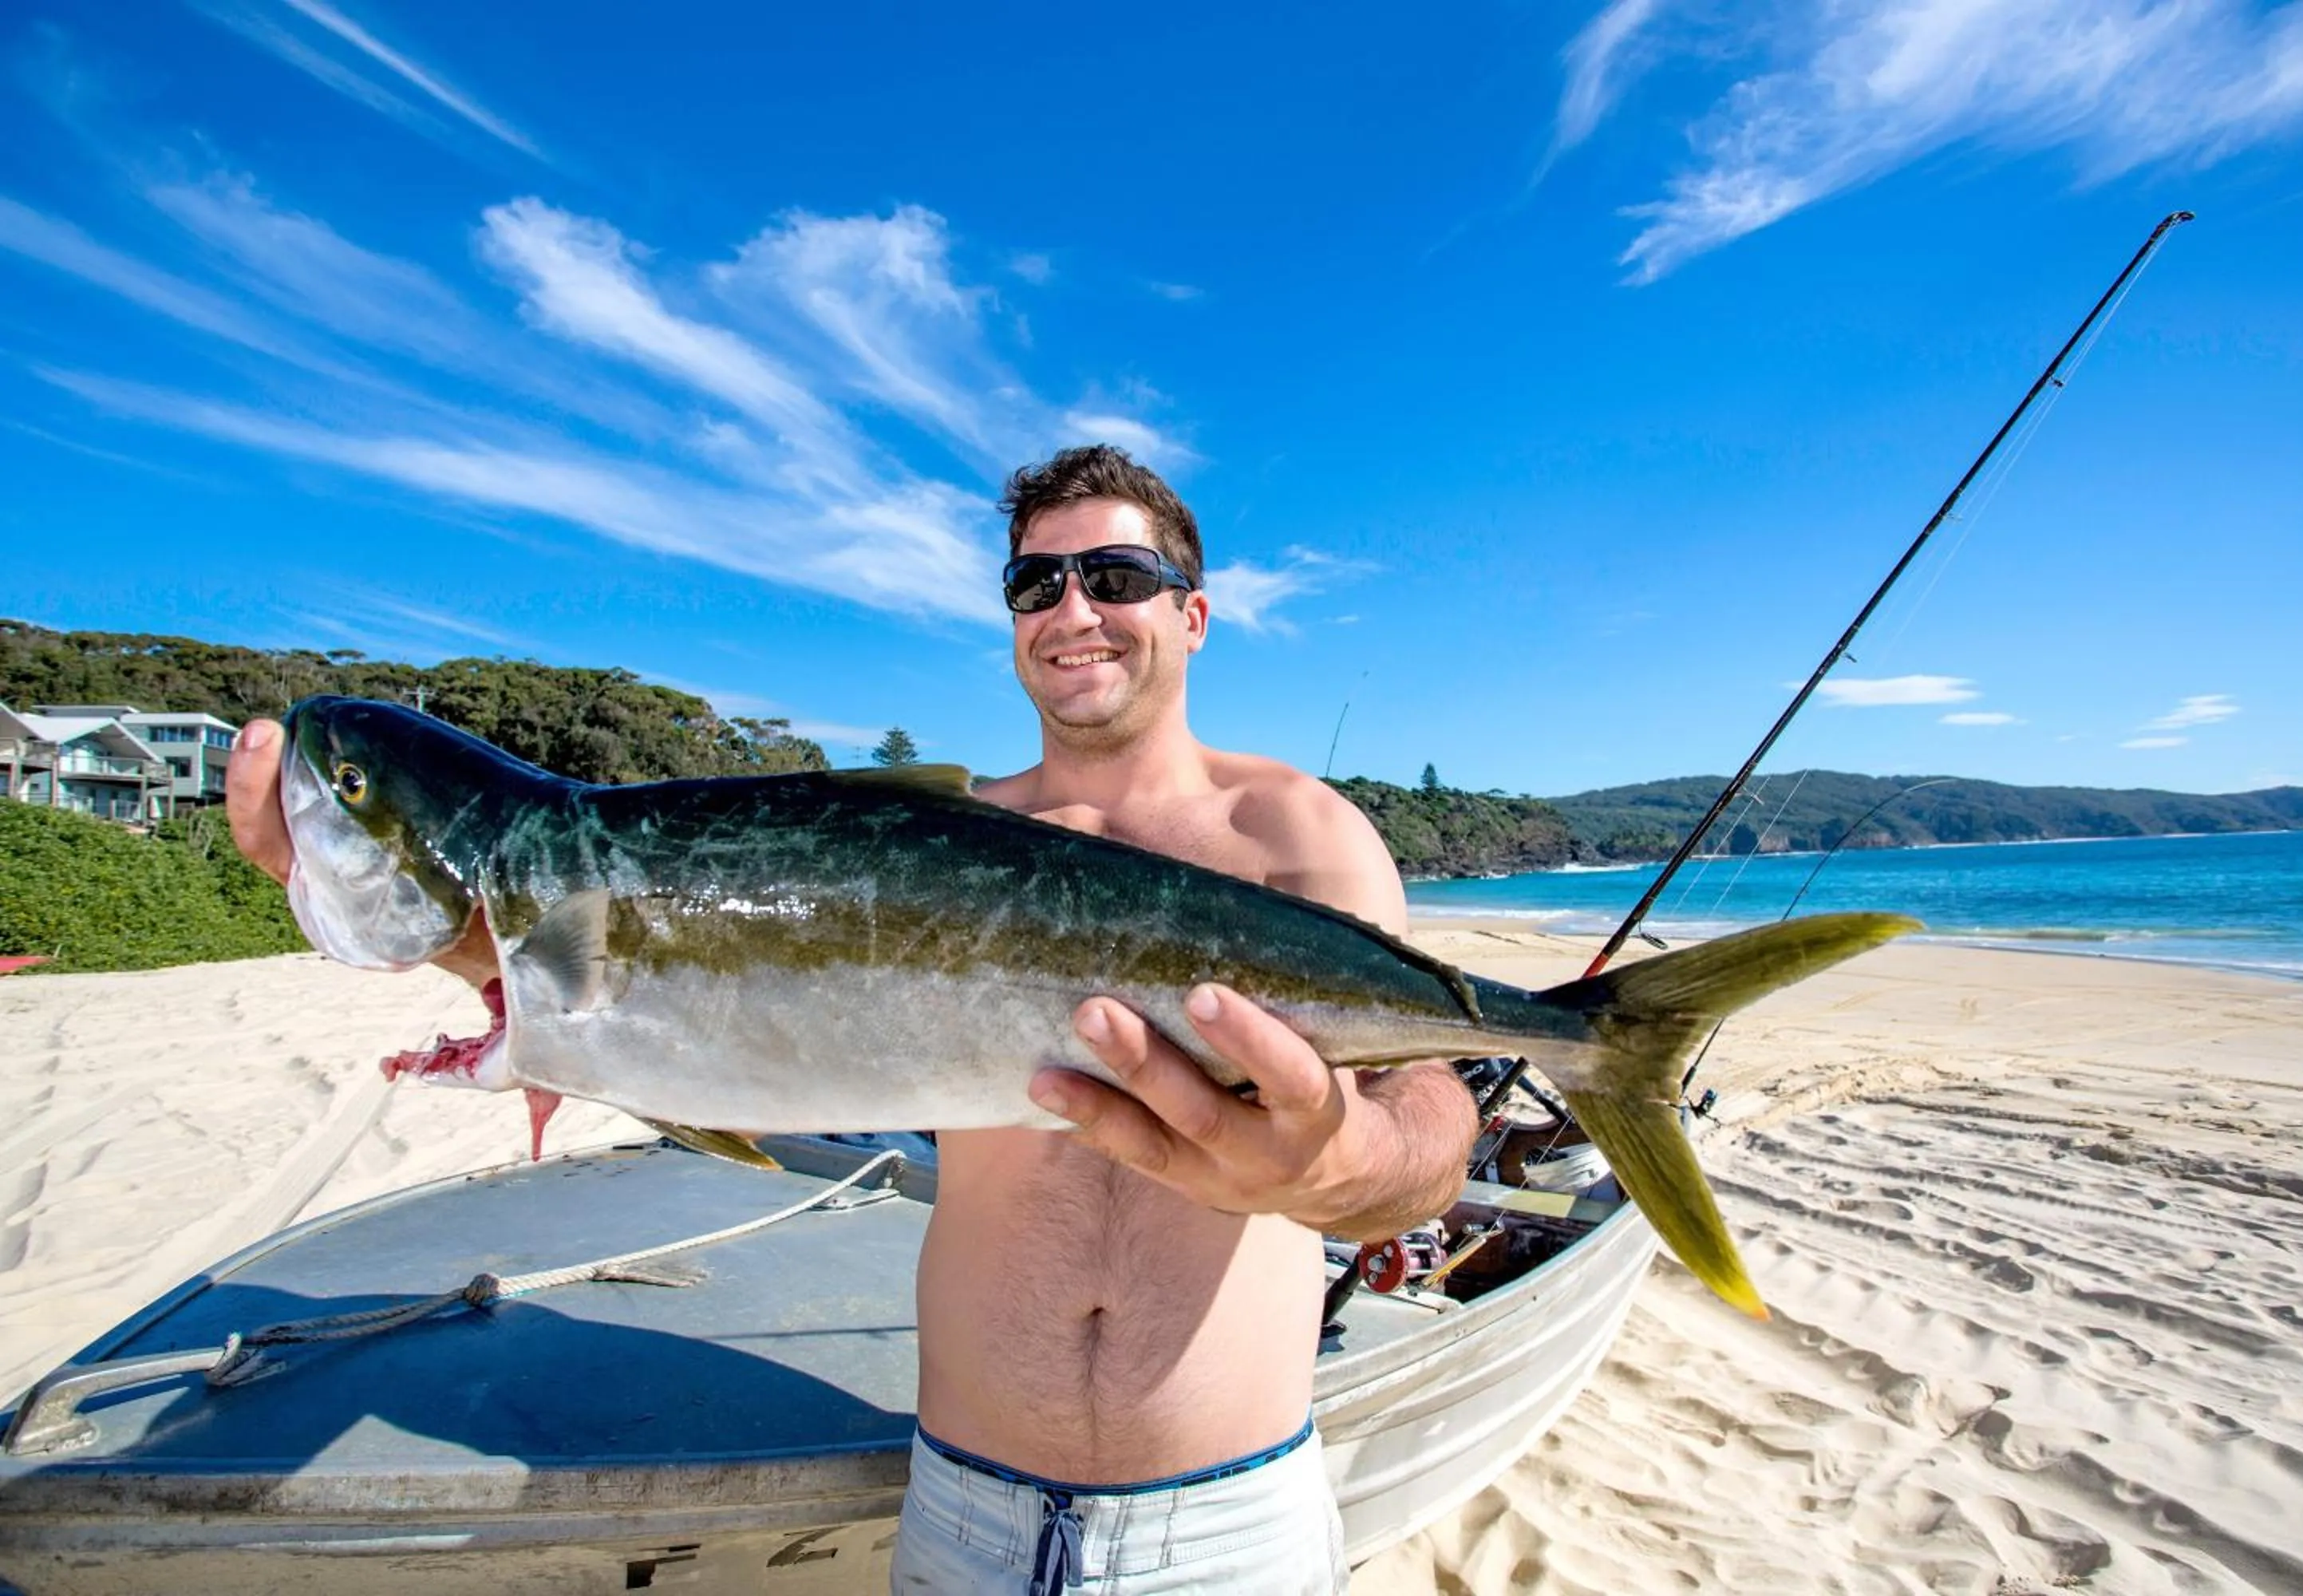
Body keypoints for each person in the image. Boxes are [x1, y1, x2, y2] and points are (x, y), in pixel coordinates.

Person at [225, 444, 1479, 1595]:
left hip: (1228, 1519)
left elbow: (1425, 1120)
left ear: (1191, 614)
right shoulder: (914, 849)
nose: (1073, 609)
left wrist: (1345, 1163)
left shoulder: (1293, 833)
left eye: (1116, 573)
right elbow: (693, 1013)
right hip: (964, 1505)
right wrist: (446, 928)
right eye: (1035, 583)